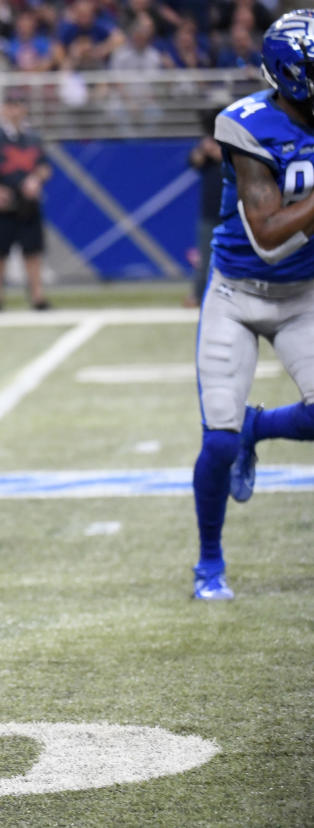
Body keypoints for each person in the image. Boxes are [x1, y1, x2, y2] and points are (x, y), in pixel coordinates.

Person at [190, 11, 314, 601]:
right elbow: (266, 235)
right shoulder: (248, 126)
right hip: (239, 293)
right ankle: (209, 561)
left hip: (306, 295)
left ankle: (259, 428)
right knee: (217, 440)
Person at [0, 93, 51, 312]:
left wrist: (35, 180)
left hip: (28, 202)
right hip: (5, 201)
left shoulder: (33, 137)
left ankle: (37, 296)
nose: (14, 111)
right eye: (10, 106)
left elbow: (44, 167)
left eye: (18, 106)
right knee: (0, 253)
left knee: (32, 252)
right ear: (3, 110)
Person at [187, 108, 223, 307]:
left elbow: (229, 161)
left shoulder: (232, 144)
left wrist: (218, 150)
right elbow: (193, 161)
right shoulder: (206, 145)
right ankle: (198, 295)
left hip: (232, 212)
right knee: (204, 259)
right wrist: (204, 149)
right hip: (209, 213)